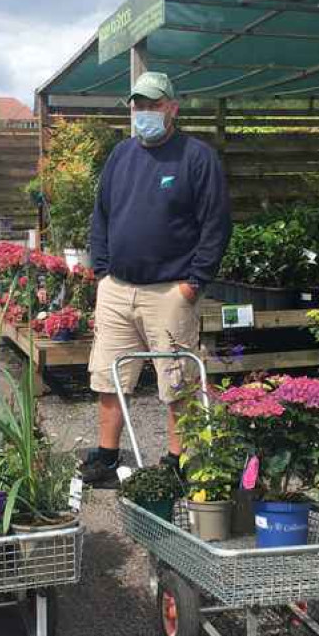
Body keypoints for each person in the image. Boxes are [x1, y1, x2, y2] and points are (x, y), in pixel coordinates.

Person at [82, 72, 232, 486]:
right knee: (109, 376)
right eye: (137, 105)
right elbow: (102, 215)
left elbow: (216, 225)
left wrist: (194, 282)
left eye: (152, 104)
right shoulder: (120, 156)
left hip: (170, 290)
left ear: (172, 108)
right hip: (117, 288)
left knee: (177, 381)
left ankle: (177, 461)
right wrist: (101, 272)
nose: (143, 112)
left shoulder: (197, 158)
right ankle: (107, 456)